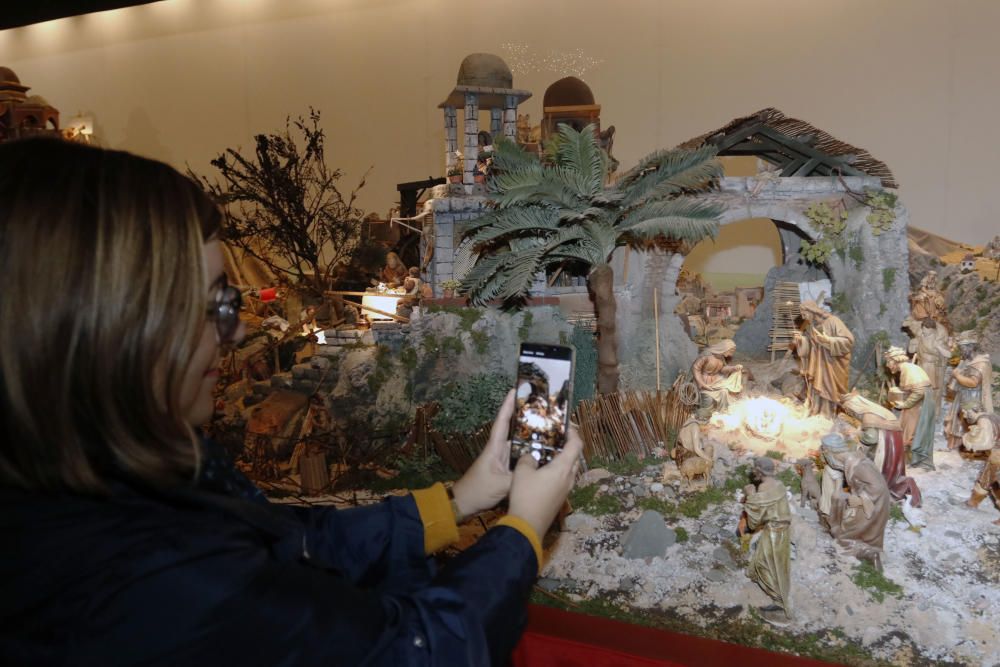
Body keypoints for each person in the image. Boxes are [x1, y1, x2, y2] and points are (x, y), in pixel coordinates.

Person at [0, 138, 582, 666]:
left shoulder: (109, 490)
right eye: (213, 306)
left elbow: (294, 541)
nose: (232, 333)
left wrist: (457, 500)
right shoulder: (153, 574)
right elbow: (412, 654)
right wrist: (523, 530)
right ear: (115, 328)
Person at [819, 433, 890, 568]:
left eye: (824, 453)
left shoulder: (858, 465)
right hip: (872, 501)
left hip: (874, 504)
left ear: (829, 452)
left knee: (845, 537)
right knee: (839, 502)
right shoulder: (851, 460)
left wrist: (859, 499)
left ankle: (868, 553)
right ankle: (869, 550)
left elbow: (879, 487)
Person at [737, 457, 792, 626]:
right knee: (777, 563)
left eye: (755, 469)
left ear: (759, 471)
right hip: (784, 530)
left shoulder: (763, 487)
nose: (753, 472)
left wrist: (751, 494)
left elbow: (755, 520)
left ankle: (780, 603)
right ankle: (779, 597)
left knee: (767, 564)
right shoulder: (778, 484)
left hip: (774, 532)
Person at [841, 392, 921, 507]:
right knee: (892, 471)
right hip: (892, 440)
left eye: (850, 411)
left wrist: (856, 433)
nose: (851, 414)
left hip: (886, 445)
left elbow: (871, 438)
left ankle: (880, 491)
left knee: (882, 471)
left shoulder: (869, 416)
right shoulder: (873, 410)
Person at [792, 301, 854, 419]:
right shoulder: (812, 326)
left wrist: (828, 340)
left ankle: (829, 412)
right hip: (818, 363)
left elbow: (848, 341)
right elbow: (811, 346)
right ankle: (817, 409)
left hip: (832, 364)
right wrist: (801, 340)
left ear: (811, 311)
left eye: (805, 314)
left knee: (830, 387)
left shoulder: (833, 321)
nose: (804, 317)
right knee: (817, 384)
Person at [884, 346, 936, 470]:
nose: (887, 365)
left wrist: (905, 404)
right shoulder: (907, 369)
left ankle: (912, 458)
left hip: (919, 406)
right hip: (917, 404)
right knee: (906, 429)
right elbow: (911, 388)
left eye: (888, 361)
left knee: (911, 432)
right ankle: (907, 458)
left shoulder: (908, 370)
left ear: (896, 359)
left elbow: (919, 391)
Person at [943, 331, 994, 450]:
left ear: (971, 347)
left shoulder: (980, 363)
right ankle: (958, 444)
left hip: (974, 398)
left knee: (973, 422)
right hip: (963, 396)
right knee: (958, 421)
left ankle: (974, 447)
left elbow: (973, 382)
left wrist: (957, 376)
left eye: (962, 348)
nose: (961, 351)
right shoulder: (966, 361)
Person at [910, 317, 953, 411]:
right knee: (920, 387)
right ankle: (922, 406)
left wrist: (939, 347)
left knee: (932, 389)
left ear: (933, 330)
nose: (924, 333)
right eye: (924, 330)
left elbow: (949, 354)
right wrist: (913, 344)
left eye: (927, 332)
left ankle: (933, 408)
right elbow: (911, 350)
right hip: (921, 365)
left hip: (931, 367)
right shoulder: (920, 336)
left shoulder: (937, 340)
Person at [691, 339, 744, 411]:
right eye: (731, 351)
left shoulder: (721, 358)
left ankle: (723, 410)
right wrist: (702, 384)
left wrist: (733, 368)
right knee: (708, 399)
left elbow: (722, 369)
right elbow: (695, 369)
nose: (731, 354)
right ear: (725, 348)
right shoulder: (706, 355)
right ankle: (706, 412)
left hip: (716, 382)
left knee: (724, 392)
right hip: (703, 382)